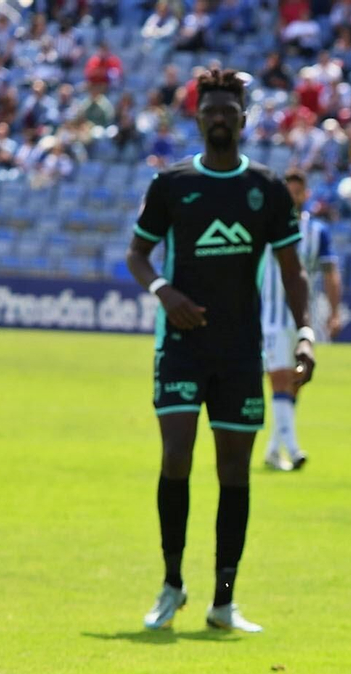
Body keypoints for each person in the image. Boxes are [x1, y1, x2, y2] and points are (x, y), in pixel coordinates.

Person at [127, 67, 313, 634]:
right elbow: (138, 256)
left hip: (239, 350)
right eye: (209, 110)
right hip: (181, 346)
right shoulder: (172, 184)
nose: (218, 118)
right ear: (198, 116)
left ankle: (223, 600)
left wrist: (305, 334)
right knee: (176, 456)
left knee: (234, 470)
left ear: (243, 118)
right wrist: (165, 292)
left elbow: (292, 271)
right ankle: (171, 584)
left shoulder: (268, 189)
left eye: (228, 111)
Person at [259, 169, 342, 472]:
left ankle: (271, 450)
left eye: (298, 192)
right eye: (288, 191)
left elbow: (331, 272)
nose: (293, 197)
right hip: (271, 317)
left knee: (295, 382)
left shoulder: (317, 232)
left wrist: (335, 312)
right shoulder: (264, 227)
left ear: (305, 195)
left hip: (303, 319)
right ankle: (294, 451)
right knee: (279, 379)